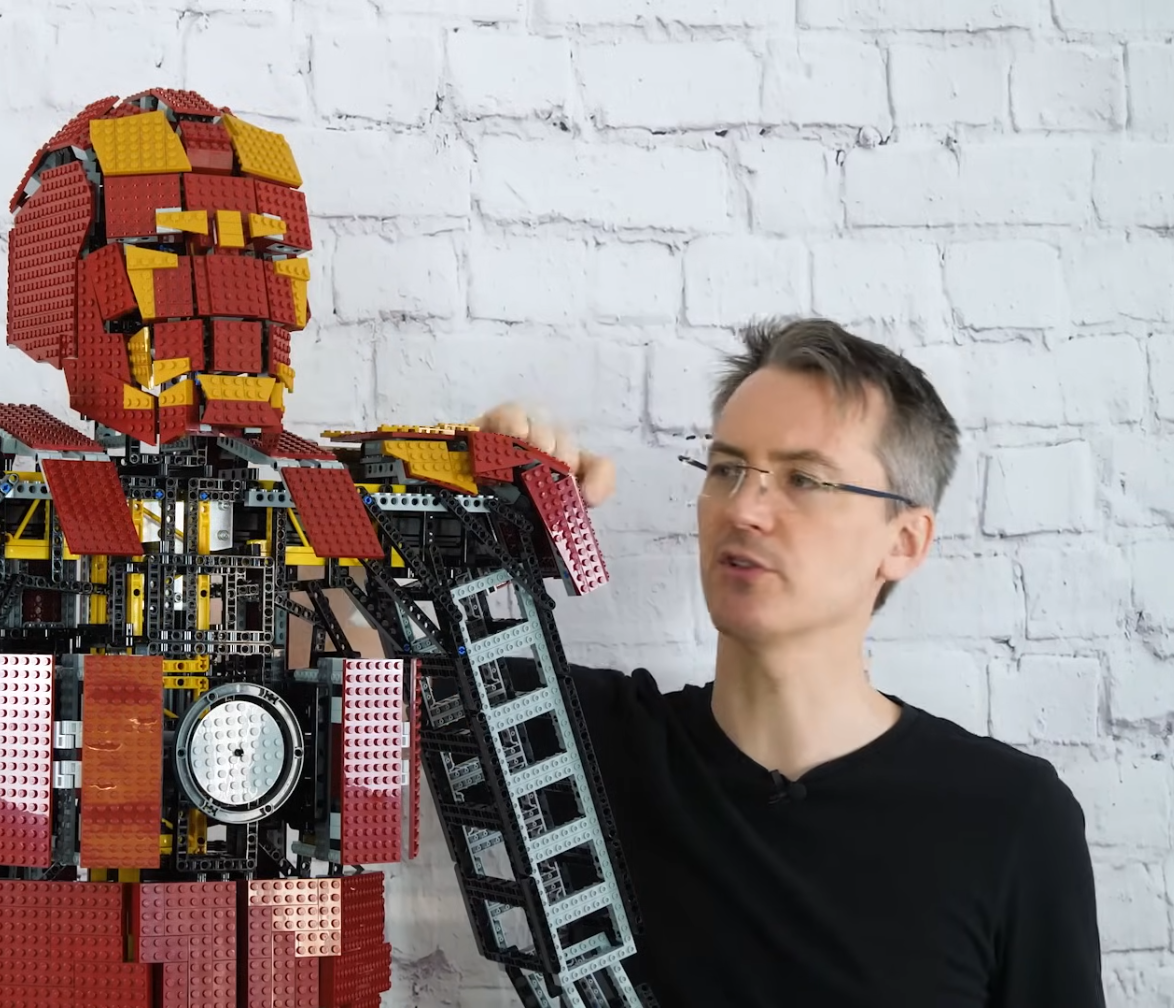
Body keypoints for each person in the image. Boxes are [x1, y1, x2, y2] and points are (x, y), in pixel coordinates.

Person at [471, 317, 1105, 1007]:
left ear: (903, 542)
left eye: (804, 478)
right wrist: (465, 500)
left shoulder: (1009, 817)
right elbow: (380, 666)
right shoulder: (578, 742)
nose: (743, 509)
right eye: (726, 469)